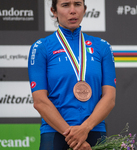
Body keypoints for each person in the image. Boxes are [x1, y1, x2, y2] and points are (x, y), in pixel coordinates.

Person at [28, 0, 116, 149]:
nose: (73, 10)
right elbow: (40, 101)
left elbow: (109, 98)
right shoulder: (41, 47)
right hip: (55, 133)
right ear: (54, 11)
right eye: (65, 5)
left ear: (85, 9)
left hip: (93, 131)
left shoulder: (102, 47)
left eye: (77, 4)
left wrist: (85, 128)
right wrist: (74, 137)